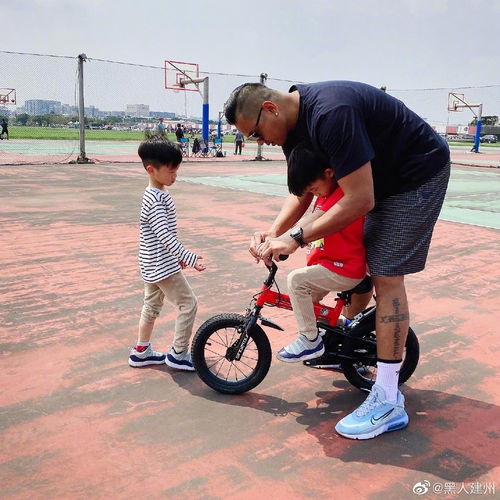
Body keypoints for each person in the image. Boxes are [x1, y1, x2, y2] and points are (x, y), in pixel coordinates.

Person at [224, 80, 450, 439]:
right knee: (361, 252)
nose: (259, 142)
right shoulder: (291, 131)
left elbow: (360, 200)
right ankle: (352, 341)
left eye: (255, 134)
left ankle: (389, 399)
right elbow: (301, 192)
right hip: (375, 181)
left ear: (270, 109)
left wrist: (296, 238)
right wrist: (273, 233)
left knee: (385, 273)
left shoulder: (331, 114)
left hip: (413, 175)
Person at [276, 145, 366, 362]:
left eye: (315, 189)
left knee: (297, 281)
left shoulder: (341, 193)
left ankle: (309, 340)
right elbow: (310, 217)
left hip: (345, 267)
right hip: (329, 265)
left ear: (329, 173)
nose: (314, 194)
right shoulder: (324, 194)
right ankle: (341, 342)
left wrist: (288, 240)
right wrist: (278, 238)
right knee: (312, 308)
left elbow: (314, 220)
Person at [129, 137, 206, 371]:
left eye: (176, 170)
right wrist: (189, 257)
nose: (175, 176)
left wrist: (178, 256)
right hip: (161, 266)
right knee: (188, 304)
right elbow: (165, 236)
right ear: (151, 170)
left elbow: (161, 236)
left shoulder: (155, 194)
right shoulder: (155, 199)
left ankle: (141, 351)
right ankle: (179, 353)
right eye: (171, 171)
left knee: (151, 307)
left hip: (152, 264)